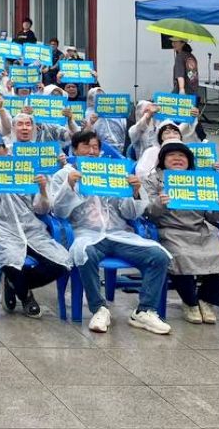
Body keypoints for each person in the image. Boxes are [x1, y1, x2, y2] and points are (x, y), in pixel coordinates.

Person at [49, 131, 171, 335]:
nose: (92, 151)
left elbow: (129, 212)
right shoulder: (64, 174)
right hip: (86, 233)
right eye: (86, 146)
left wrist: (134, 192)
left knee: (158, 256)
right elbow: (59, 212)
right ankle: (99, 308)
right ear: (75, 150)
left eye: (96, 147)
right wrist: (69, 185)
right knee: (84, 254)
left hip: (118, 233)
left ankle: (144, 310)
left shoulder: (113, 172)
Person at [0, 133, 69, 318]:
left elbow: (42, 209)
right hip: (1, 229)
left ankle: (14, 283)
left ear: (5, 149)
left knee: (62, 262)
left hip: (31, 228)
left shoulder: (24, 169)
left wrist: (43, 189)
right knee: (9, 259)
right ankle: (26, 297)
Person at [143, 141, 219, 324]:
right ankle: (190, 302)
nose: (177, 159)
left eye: (182, 156)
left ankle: (206, 300)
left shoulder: (200, 180)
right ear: (163, 160)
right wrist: (159, 203)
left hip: (199, 231)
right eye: (172, 156)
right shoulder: (152, 180)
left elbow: (213, 216)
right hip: (170, 230)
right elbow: (147, 213)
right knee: (181, 257)